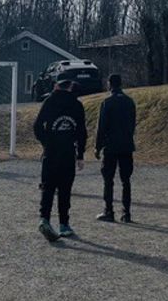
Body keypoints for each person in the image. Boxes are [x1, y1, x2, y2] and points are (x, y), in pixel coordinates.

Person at [33, 79, 87, 241]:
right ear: (70, 87)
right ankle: (64, 224)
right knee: (65, 189)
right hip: (68, 152)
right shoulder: (77, 105)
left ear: (57, 86)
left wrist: (46, 142)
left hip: (51, 151)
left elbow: (37, 126)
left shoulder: (50, 101)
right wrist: (80, 154)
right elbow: (82, 132)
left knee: (48, 187)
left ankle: (45, 219)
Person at [94, 73, 137, 223]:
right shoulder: (130, 102)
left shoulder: (107, 102)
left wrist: (97, 146)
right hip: (126, 145)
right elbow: (132, 124)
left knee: (108, 179)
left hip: (111, 145)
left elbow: (101, 127)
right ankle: (126, 213)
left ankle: (109, 210)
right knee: (126, 180)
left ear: (109, 84)